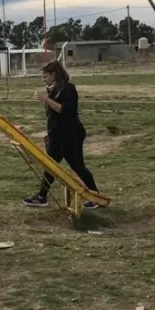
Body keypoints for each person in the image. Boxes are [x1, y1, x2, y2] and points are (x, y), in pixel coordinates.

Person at [24, 61, 100, 209]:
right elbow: (52, 117)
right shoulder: (53, 91)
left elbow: (63, 110)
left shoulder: (68, 89)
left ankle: (95, 196)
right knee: (50, 165)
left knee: (77, 165)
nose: (43, 79)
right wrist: (50, 134)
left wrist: (46, 99)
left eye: (45, 76)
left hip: (70, 134)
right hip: (57, 135)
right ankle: (42, 196)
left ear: (54, 75)